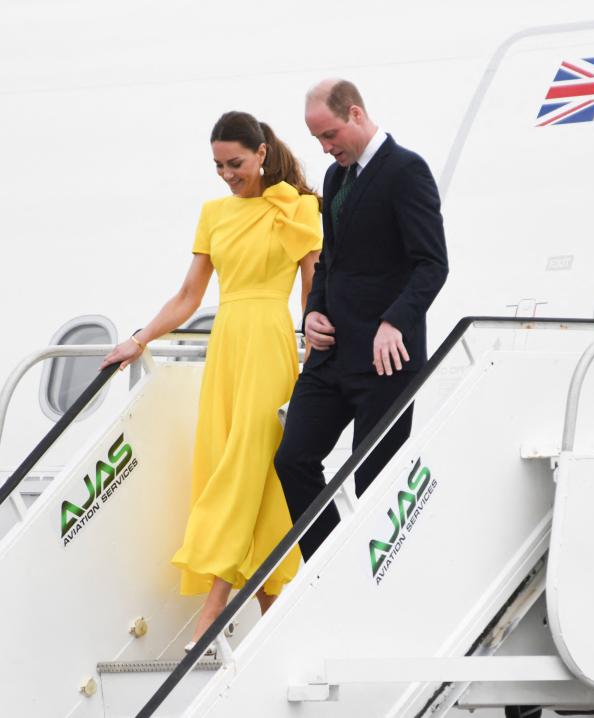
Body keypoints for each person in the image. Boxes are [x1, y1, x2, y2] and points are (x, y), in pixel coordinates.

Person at [101, 111, 322, 652]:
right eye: (218, 165)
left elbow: (313, 294)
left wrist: (315, 363)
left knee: (247, 461)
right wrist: (140, 338)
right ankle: (277, 617)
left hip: (271, 344)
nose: (227, 173)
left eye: (236, 163)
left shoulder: (298, 208)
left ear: (263, 152)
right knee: (242, 469)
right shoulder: (213, 214)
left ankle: (214, 608)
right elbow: (188, 297)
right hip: (227, 348)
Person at [274, 79, 448, 561]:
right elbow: (329, 261)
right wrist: (311, 313)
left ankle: (362, 577)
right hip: (331, 355)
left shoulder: (406, 171)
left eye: (329, 136)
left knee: (374, 479)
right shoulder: (335, 180)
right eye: (317, 141)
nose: (326, 149)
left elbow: (432, 263)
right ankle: (331, 561)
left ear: (355, 114)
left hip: (386, 359)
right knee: (293, 459)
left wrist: (395, 321)